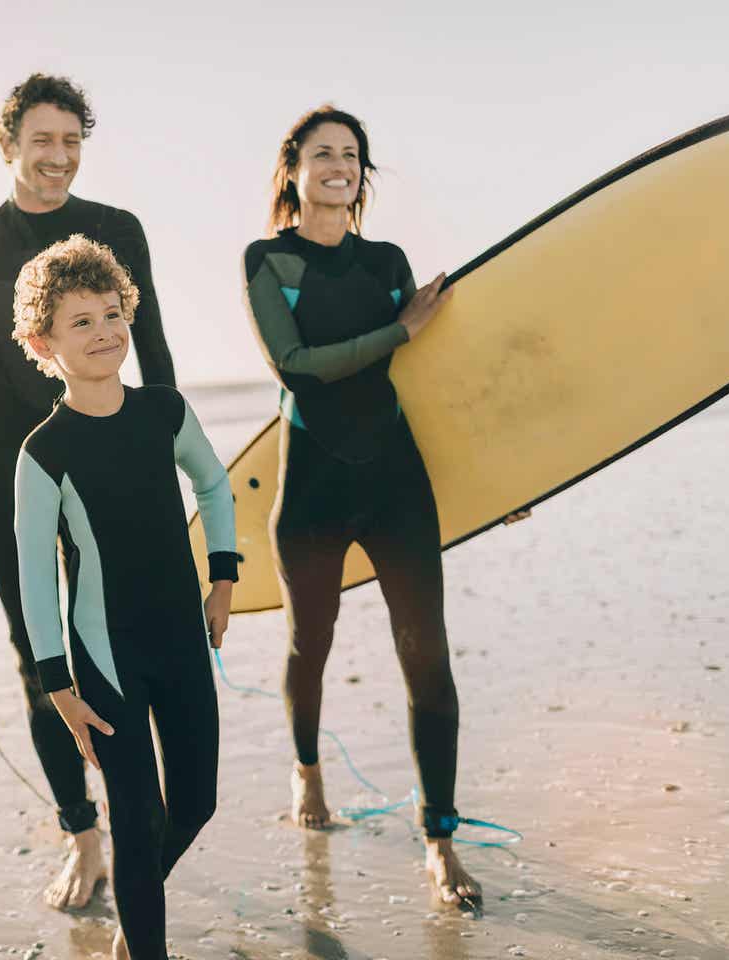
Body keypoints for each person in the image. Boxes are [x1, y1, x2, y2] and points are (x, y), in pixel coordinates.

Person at [0, 73, 178, 908]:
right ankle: (83, 833)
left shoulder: (116, 231)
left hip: (110, 467)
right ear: (11, 146)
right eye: (43, 141)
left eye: (72, 141)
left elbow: (158, 360)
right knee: (44, 663)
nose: (58, 157)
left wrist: (166, 462)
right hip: (12, 476)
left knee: (125, 645)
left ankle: (137, 813)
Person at [241, 105, 494, 908]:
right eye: (323, 154)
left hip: (395, 482)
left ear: (362, 174)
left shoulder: (386, 260)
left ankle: (440, 838)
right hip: (312, 486)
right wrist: (401, 330)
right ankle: (308, 769)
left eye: (352, 155)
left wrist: (500, 479)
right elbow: (297, 367)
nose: (339, 166)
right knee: (309, 645)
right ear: (294, 171)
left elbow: (425, 382)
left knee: (429, 659)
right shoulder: (267, 259)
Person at [12, 234, 236, 959]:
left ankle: (135, 909)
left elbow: (214, 482)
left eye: (113, 313)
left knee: (195, 803)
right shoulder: (43, 452)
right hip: (106, 656)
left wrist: (224, 579)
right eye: (82, 321)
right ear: (44, 342)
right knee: (136, 817)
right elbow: (34, 576)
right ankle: (145, 944)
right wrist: (57, 687)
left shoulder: (164, 412)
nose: (105, 330)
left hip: (179, 638)